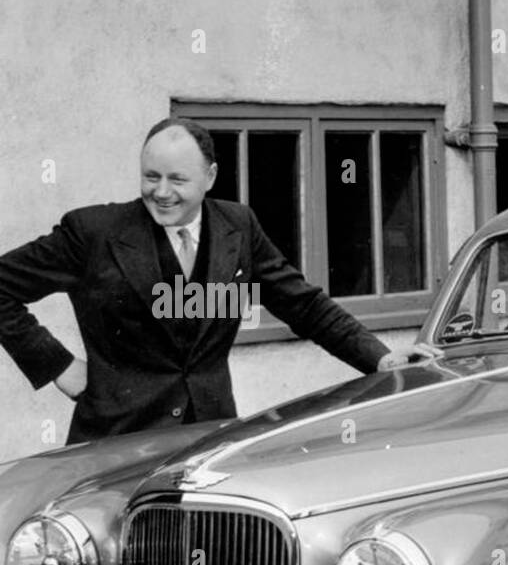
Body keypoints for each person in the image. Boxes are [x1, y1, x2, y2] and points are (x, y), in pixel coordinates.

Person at [0, 117, 434, 443]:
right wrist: (56, 365)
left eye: (177, 179)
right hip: (115, 443)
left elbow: (302, 304)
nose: (162, 192)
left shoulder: (238, 227)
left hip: (209, 438)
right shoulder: (92, 232)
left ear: (209, 177)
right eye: (151, 177)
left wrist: (380, 359)